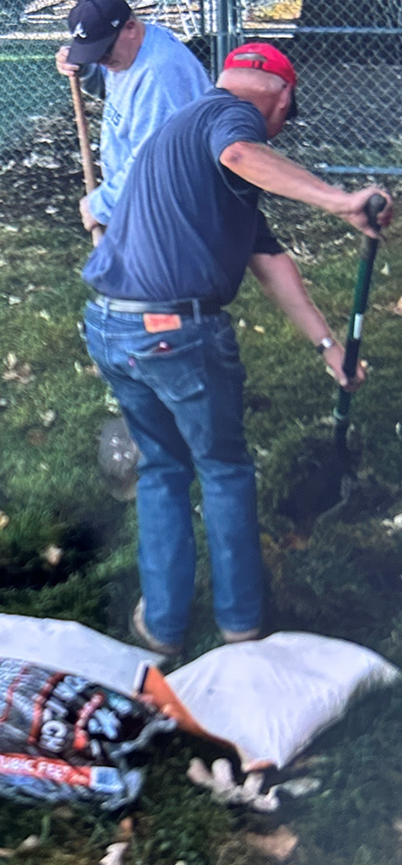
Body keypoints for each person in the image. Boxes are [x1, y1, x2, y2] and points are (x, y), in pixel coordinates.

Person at [81, 42, 392, 656]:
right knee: (223, 469)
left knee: (162, 468)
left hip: (110, 325)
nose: (278, 128)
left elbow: (268, 260)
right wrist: (340, 201)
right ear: (281, 95)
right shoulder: (229, 117)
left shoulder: (187, 144)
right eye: (286, 116)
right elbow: (243, 152)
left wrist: (328, 346)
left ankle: (162, 625)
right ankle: (242, 625)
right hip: (175, 333)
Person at [56, 0, 211, 234]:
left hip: (175, 215)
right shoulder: (136, 49)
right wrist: (84, 69)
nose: (101, 60)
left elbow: (156, 163)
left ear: (130, 28)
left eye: (103, 51)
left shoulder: (159, 76)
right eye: (93, 54)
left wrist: (102, 204)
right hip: (147, 204)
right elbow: (114, 87)